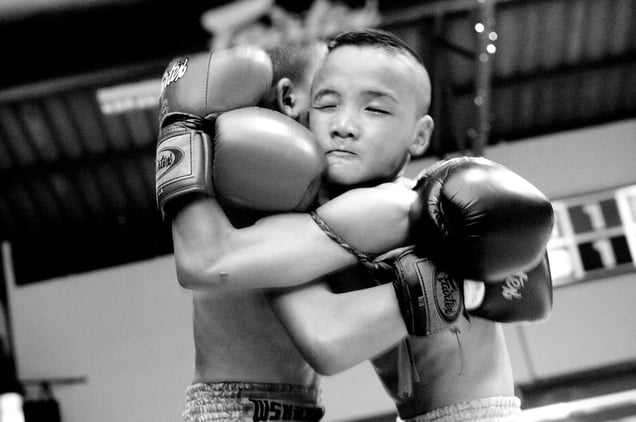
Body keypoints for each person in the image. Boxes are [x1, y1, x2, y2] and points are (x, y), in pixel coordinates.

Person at [158, 28, 553, 422]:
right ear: (294, 102)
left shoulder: (404, 203)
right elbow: (210, 266)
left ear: (420, 135)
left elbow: (536, 294)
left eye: (375, 109)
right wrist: (470, 288)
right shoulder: (290, 204)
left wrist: (180, 129)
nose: (344, 124)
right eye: (326, 102)